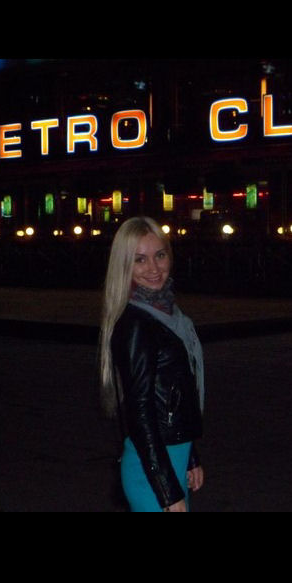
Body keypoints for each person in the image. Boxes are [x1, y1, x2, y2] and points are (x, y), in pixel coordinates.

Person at [99, 216, 205, 512]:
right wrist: (167, 491)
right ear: (125, 265)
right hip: (152, 472)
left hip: (172, 460)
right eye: (140, 260)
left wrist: (191, 456)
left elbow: (176, 395)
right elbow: (140, 413)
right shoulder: (137, 324)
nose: (154, 268)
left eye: (160, 255)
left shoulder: (169, 315)